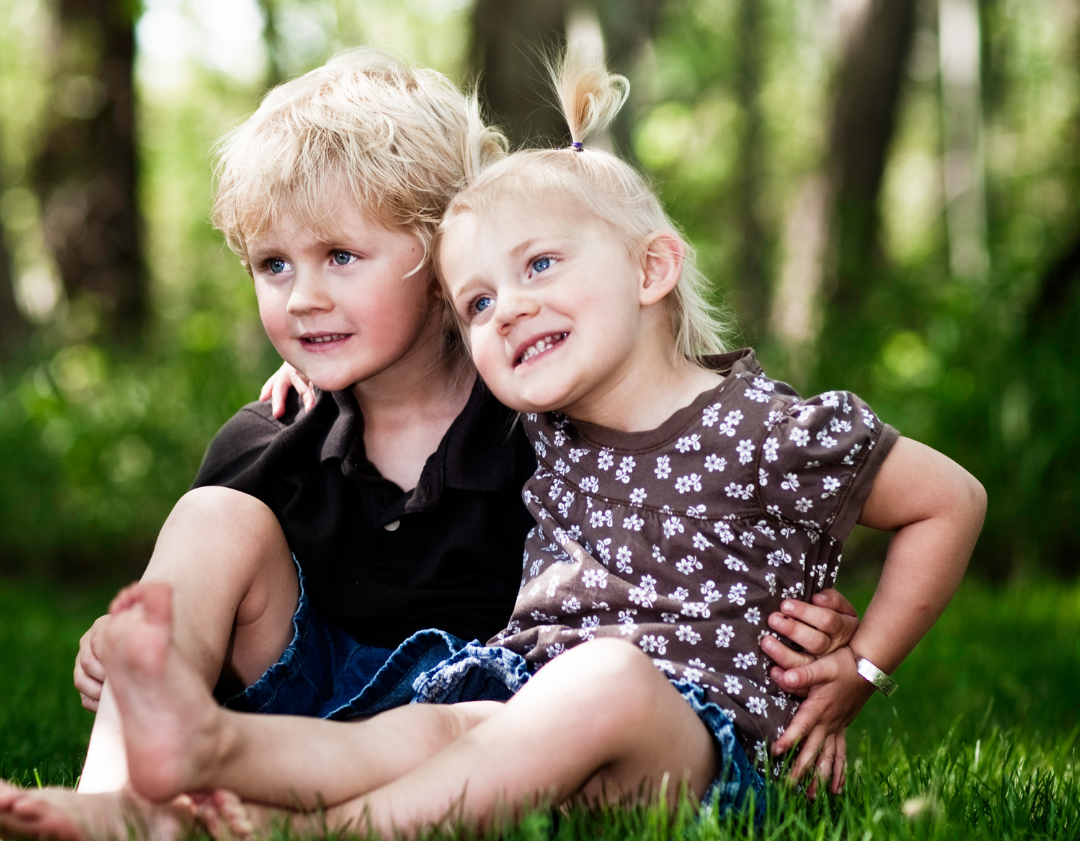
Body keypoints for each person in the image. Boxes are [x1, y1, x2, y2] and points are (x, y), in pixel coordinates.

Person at [5, 47, 985, 841]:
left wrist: (831, 628)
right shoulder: (276, 431)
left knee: (581, 689)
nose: (302, 296)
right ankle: (119, 796)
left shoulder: (549, 410)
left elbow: (698, 493)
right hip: (346, 718)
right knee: (212, 517)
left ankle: (263, 822)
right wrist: (134, 642)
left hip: (519, 729)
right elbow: (209, 594)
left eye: (341, 257)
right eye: (273, 265)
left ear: (440, 267)